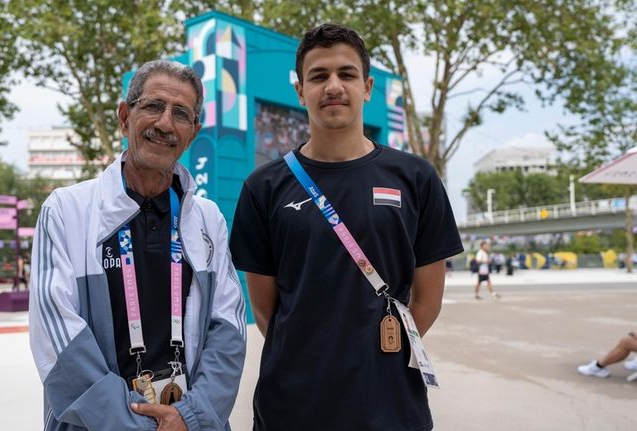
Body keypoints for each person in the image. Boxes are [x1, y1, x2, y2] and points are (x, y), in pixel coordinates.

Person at [230, 24, 463, 430]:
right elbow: (265, 311)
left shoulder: (416, 177)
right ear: (300, 91)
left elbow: (428, 298)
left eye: (346, 74)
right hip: (291, 406)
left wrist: (378, 357)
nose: (333, 86)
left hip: (391, 405)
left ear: (367, 87)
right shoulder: (263, 187)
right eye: (318, 76)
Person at [29, 60, 246, 431]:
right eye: (153, 106)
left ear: (193, 132)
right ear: (125, 116)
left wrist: (188, 417)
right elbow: (59, 343)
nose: (165, 123)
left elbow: (229, 330)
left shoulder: (207, 218)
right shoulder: (66, 210)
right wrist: (138, 425)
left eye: (180, 113)